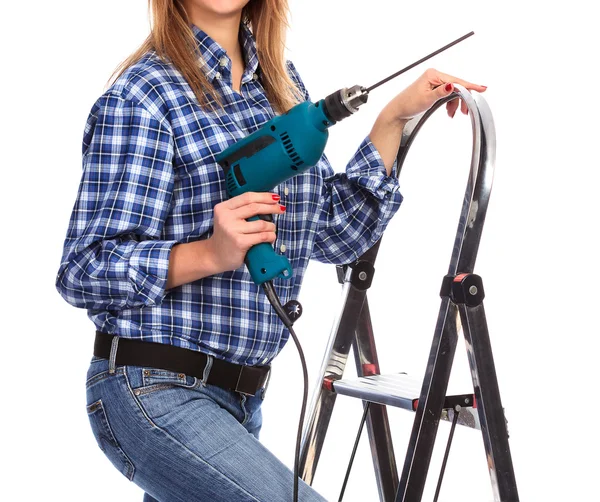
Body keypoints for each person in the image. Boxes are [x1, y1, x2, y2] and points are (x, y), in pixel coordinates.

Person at [55, 0, 486, 500]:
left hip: (242, 401)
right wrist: (210, 254)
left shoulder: (280, 90)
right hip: (153, 391)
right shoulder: (144, 95)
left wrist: (393, 119)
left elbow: (331, 233)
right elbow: (83, 269)